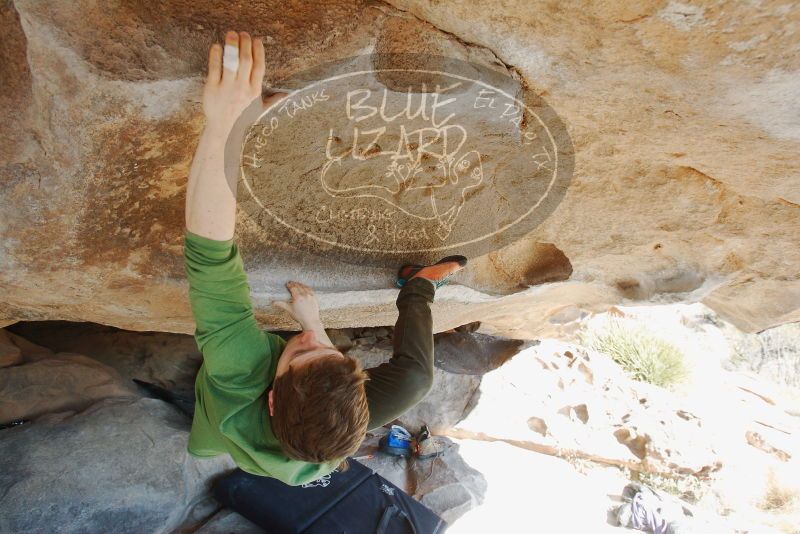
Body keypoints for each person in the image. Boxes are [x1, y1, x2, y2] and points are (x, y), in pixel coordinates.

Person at [184, 31, 467, 486]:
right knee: (416, 380)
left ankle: (203, 441)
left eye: (303, 351)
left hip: (222, 413)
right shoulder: (338, 432)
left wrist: (227, 125)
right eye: (334, 354)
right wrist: (310, 328)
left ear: (272, 399)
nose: (314, 340)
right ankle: (419, 284)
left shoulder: (239, 371)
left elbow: (208, 253)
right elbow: (402, 378)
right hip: (305, 427)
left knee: (206, 438)